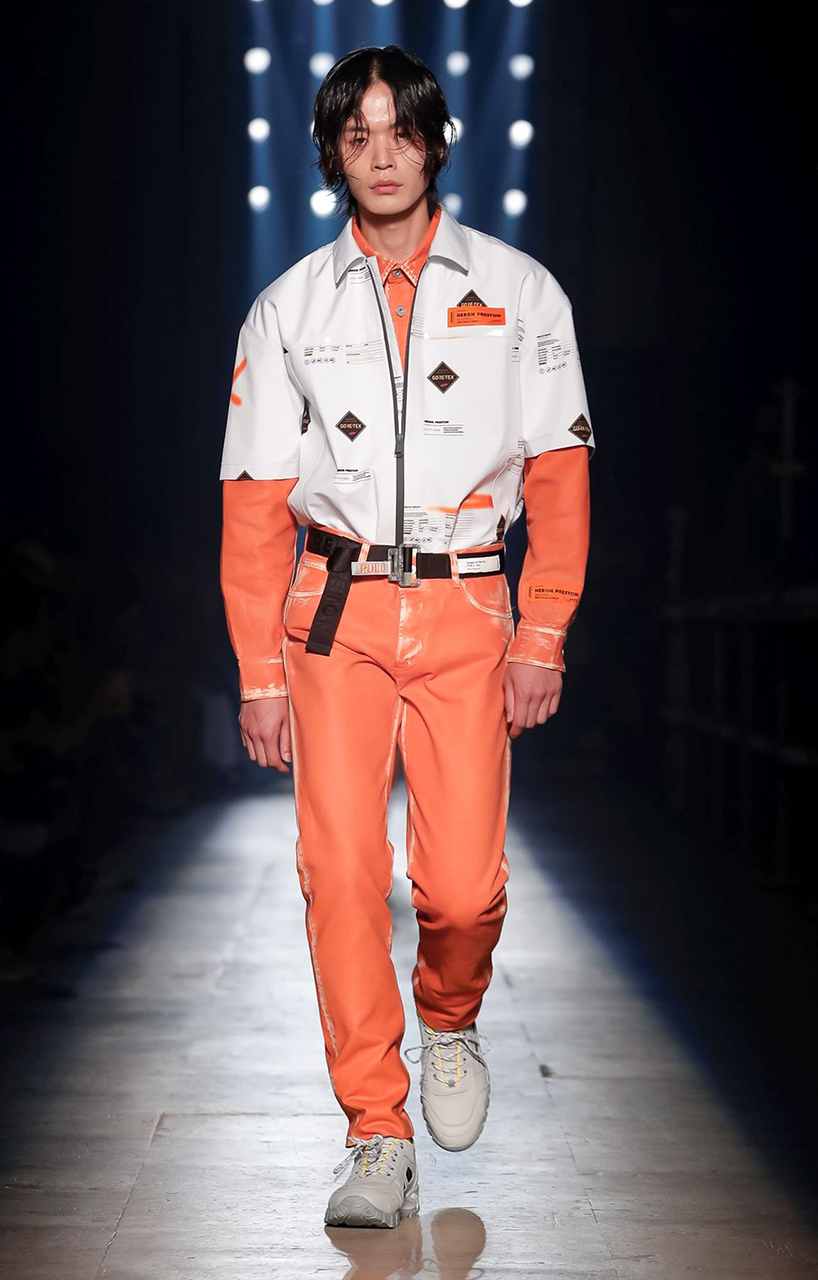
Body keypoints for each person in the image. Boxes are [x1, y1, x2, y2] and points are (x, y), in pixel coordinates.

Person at [219, 44, 595, 1229]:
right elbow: (252, 506)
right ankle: (375, 1129)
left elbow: (560, 471)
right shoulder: (288, 307)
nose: (381, 156)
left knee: (464, 890)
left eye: (400, 131)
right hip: (332, 614)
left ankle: (450, 1013)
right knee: (338, 873)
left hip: (470, 604)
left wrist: (543, 629)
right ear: (332, 152)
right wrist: (257, 672)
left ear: (435, 140)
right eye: (357, 135)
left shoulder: (521, 291)